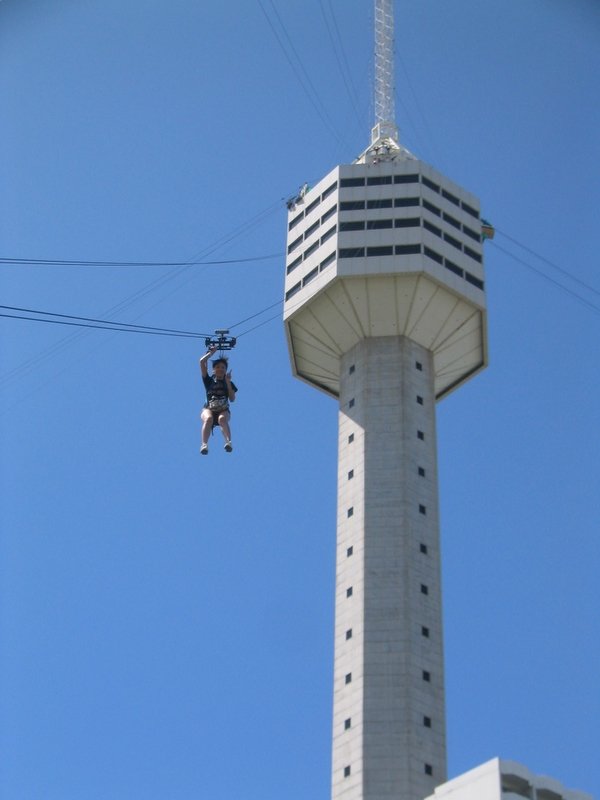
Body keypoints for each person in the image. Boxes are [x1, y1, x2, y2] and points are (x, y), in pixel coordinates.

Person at [199, 345, 237, 455]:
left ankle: (228, 442)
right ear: (214, 370)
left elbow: (232, 399)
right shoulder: (209, 380)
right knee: (209, 418)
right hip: (209, 408)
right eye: (218, 367)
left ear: (225, 371)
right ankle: (204, 444)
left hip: (223, 409)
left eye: (223, 368)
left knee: (222, 419)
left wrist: (228, 383)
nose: (220, 369)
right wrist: (211, 353)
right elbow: (202, 362)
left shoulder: (228, 382)